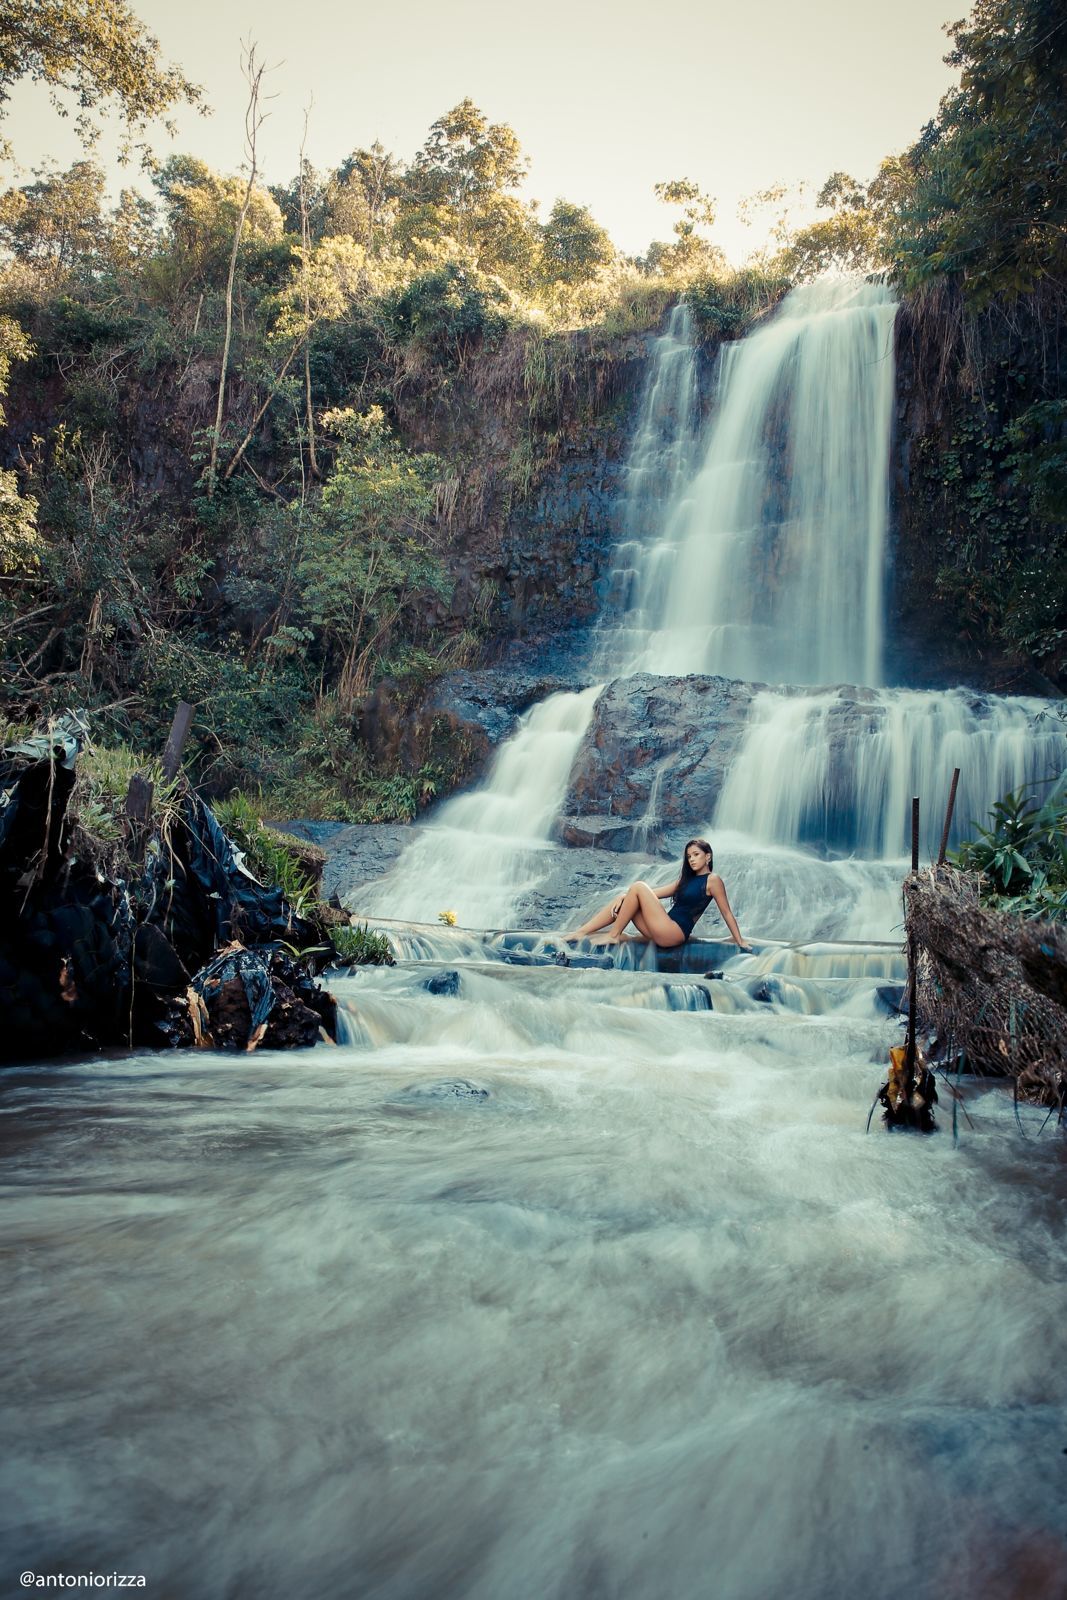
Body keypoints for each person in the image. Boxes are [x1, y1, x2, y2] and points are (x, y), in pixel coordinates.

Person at [571, 837, 751, 950]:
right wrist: (624, 896)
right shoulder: (685, 880)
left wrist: (739, 940)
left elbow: (726, 912)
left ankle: (613, 935)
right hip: (662, 929)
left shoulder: (713, 880)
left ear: (708, 856)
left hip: (674, 933)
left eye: (696, 854)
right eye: (689, 856)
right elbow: (652, 894)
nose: (692, 859)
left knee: (638, 886)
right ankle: (580, 932)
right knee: (626, 898)